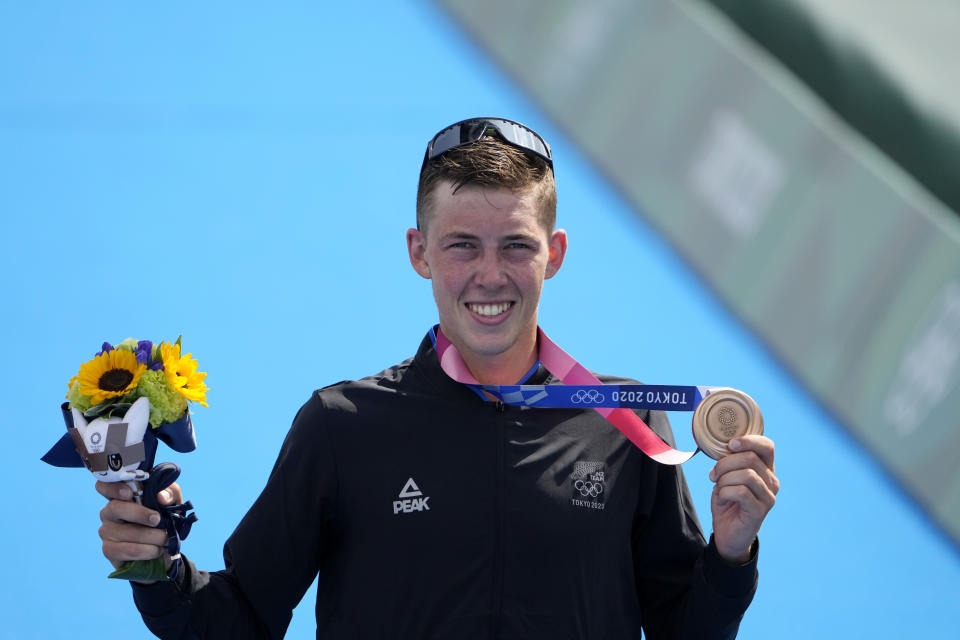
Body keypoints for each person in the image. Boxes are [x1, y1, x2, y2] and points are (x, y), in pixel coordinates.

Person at [97, 117, 779, 639]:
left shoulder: (627, 425)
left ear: (555, 255)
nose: (490, 275)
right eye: (462, 245)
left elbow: (684, 628)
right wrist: (155, 567)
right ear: (420, 252)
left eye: (516, 245)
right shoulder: (342, 428)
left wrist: (730, 550)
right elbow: (234, 621)